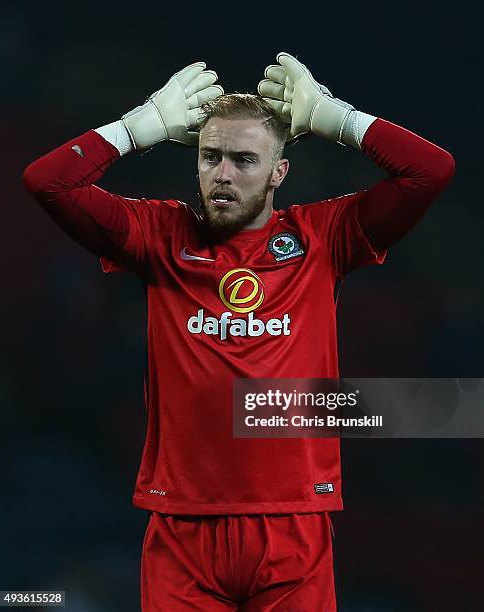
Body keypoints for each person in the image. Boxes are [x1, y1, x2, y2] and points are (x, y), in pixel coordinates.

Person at [23, 52, 455, 611]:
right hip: (183, 531)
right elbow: (47, 182)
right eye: (211, 157)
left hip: (293, 526)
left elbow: (431, 170)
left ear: (279, 172)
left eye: (245, 160)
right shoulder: (159, 235)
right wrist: (136, 128)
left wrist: (337, 118)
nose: (223, 174)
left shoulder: (322, 237)